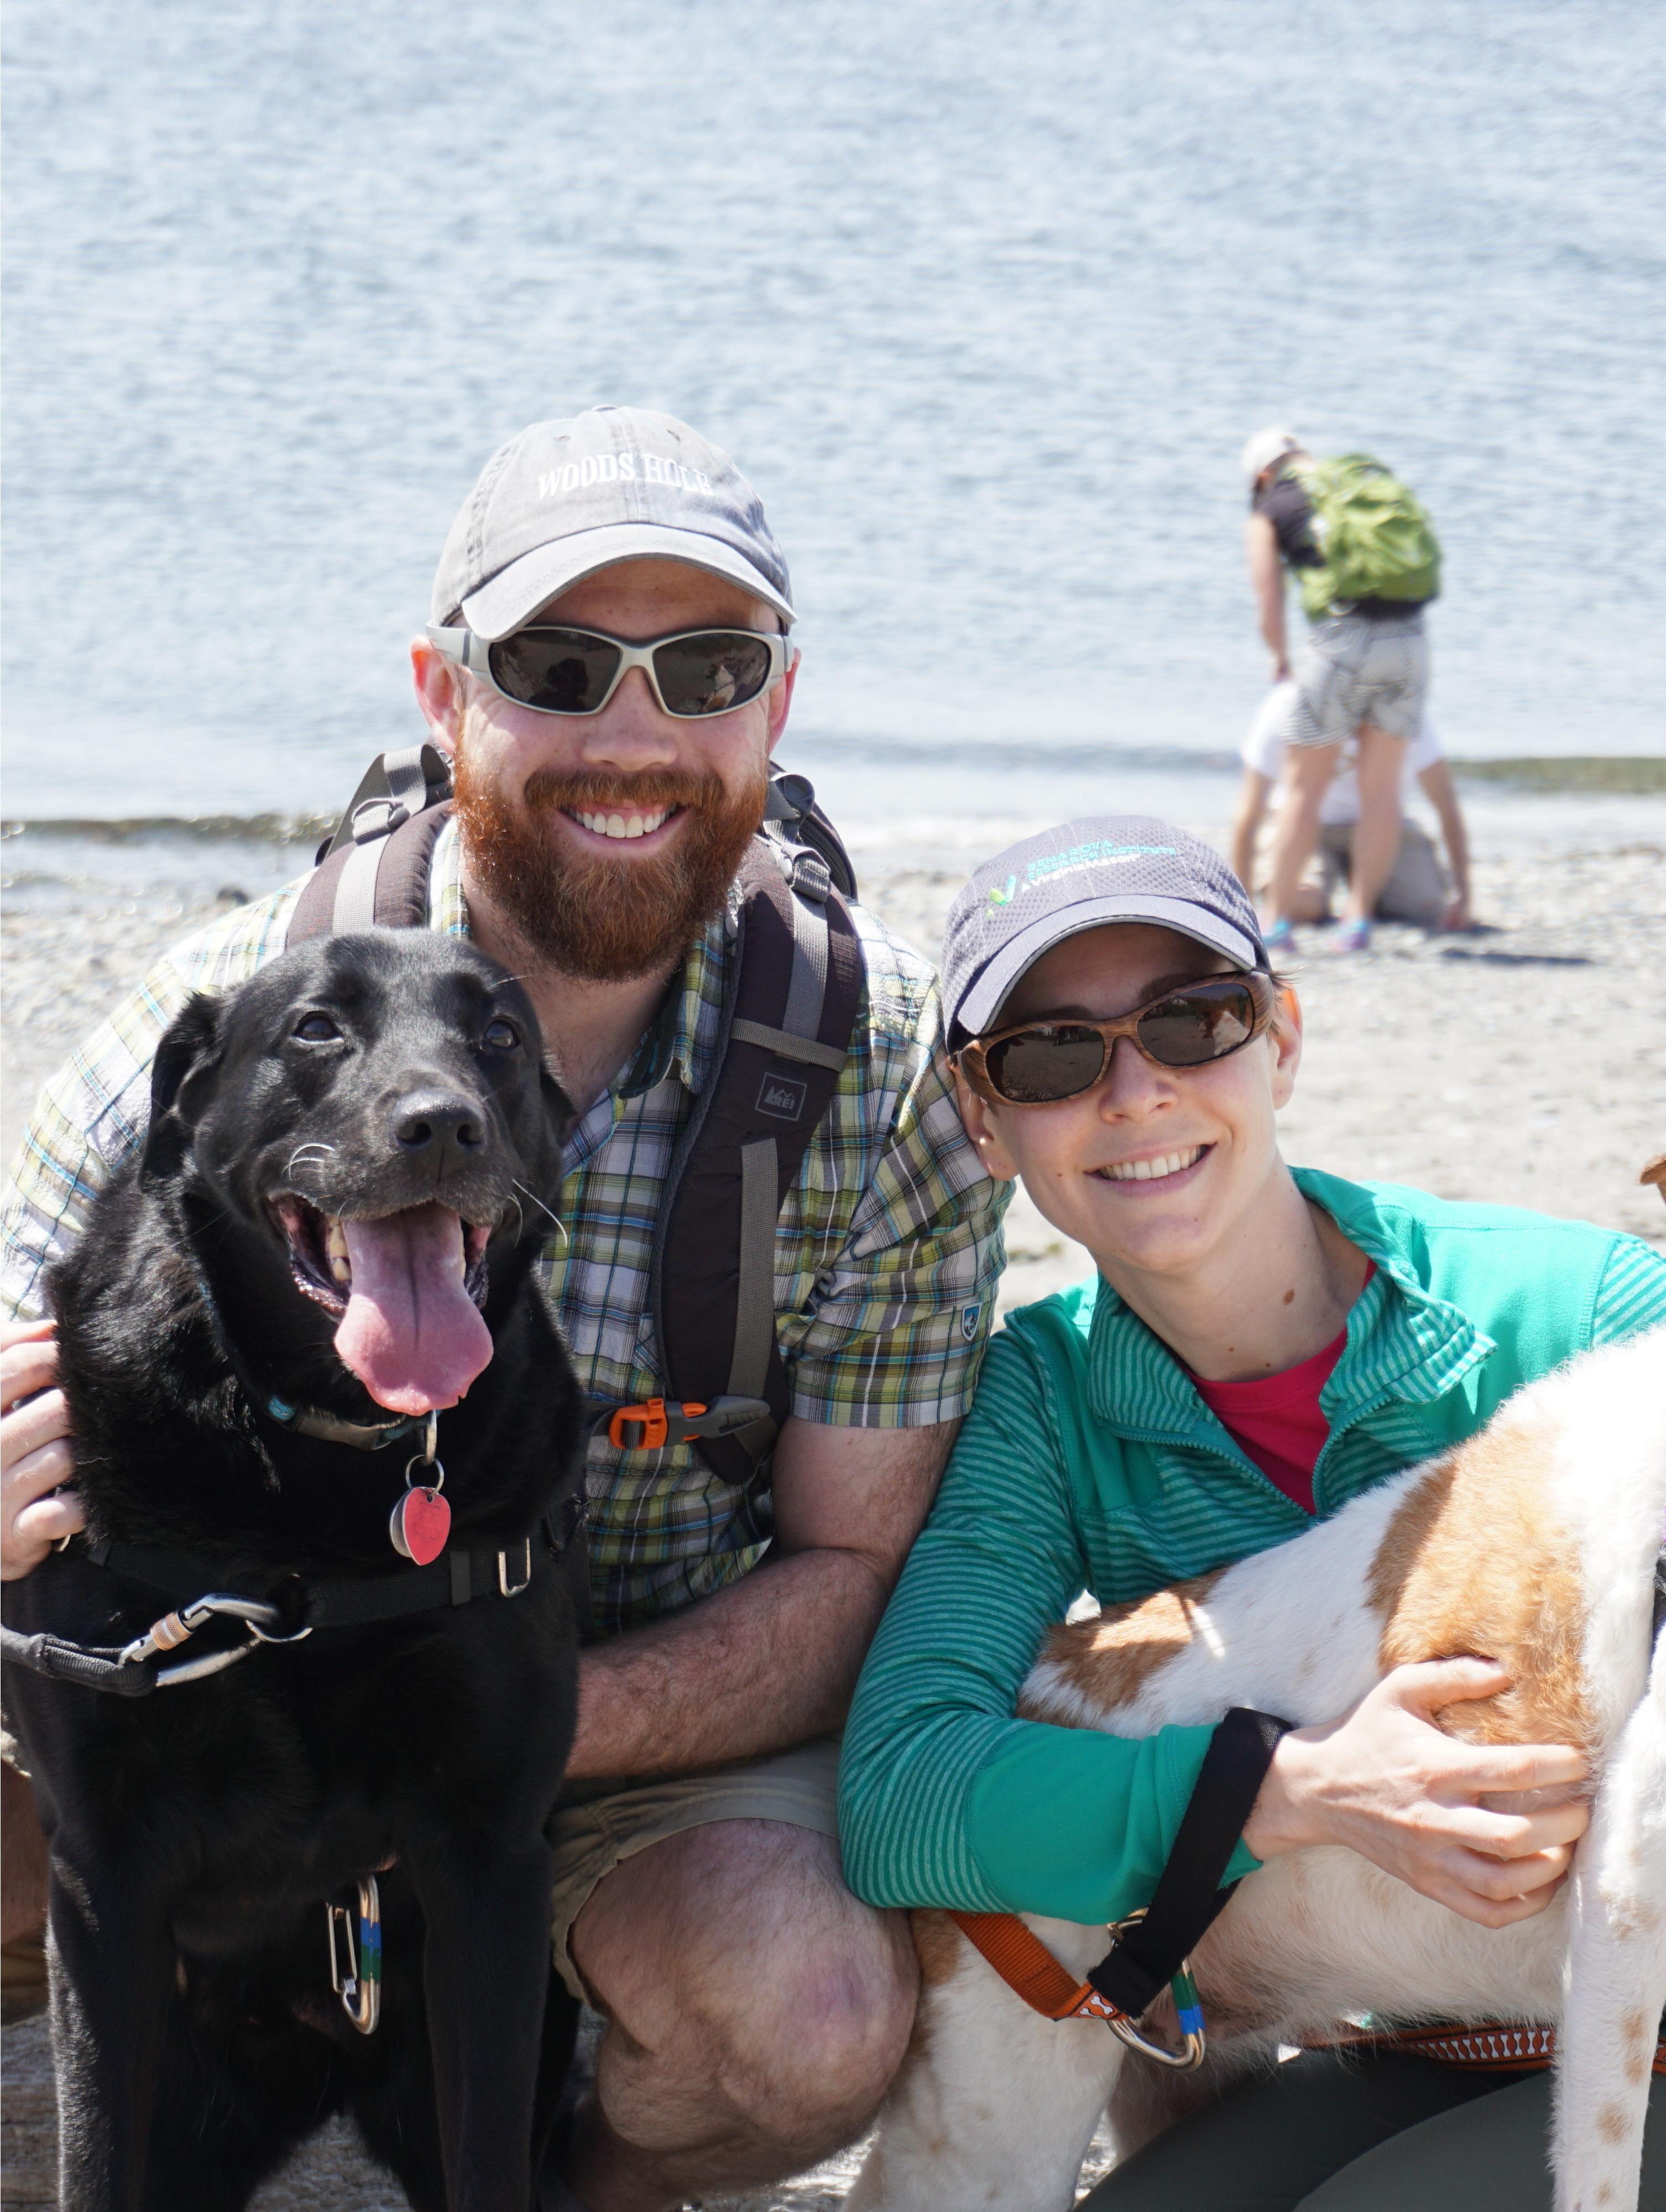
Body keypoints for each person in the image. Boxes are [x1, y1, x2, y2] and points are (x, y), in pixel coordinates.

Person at [0, 404, 1007, 2212]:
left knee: (809, 2013)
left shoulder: (877, 1074)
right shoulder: (228, 1005)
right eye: (557, 664)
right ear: (442, 690)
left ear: (776, 707)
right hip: (190, 1728)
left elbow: (855, 1575)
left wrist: (469, 1718)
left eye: (704, 668)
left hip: (592, 1746)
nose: (634, 736)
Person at [836, 816, 1666, 2211]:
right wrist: (1279, 1791)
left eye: (1194, 1023)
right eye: (1054, 1056)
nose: (1135, 1090)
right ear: (980, 1113)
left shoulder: (1586, 1320)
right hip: (1489, 2039)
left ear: (1283, 1038)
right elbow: (902, 1796)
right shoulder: (1045, 1395)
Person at [1242, 429, 1440, 956]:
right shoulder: (1359, 488)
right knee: (1383, 790)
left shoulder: (1271, 510)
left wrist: (1281, 657)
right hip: (1410, 639)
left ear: (1263, 477)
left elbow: (1268, 604)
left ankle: (1277, 922)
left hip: (1341, 643)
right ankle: (1358, 923)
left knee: (1305, 787)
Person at [1228, 682, 1472, 931]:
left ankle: (1364, 903)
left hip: (1383, 829)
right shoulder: (1290, 704)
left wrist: (1464, 894)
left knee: (1425, 908)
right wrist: (1240, 905)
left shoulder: (1402, 709)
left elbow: (1446, 803)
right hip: (1308, 829)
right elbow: (1250, 811)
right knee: (1300, 906)